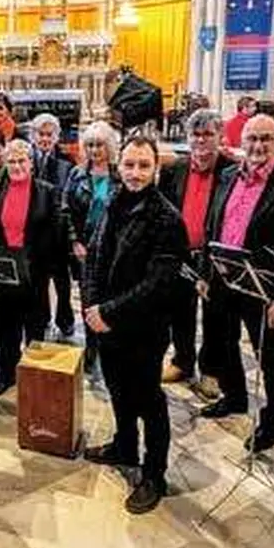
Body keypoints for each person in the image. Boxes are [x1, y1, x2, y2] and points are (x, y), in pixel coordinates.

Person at [83, 135, 190, 514]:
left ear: (156, 169)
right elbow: (94, 256)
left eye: (144, 165)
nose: (135, 173)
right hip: (106, 323)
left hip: (143, 329)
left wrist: (107, 312)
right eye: (129, 164)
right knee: (117, 390)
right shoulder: (114, 201)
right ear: (119, 166)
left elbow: (158, 284)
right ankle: (125, 446)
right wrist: (92, 306)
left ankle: (154, 474)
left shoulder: (167, 219)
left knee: (148, 400)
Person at [200, 114, 274, 453]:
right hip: (224, 279)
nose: (258, 146)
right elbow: (212, 224)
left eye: (266, 138)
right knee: (224, 344)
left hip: (264, 290)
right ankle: (234, 396)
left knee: (271, 359)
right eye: (252, 138)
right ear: (242, 141)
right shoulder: (226, 176)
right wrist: (206, 274)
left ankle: (272, 423)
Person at [156, 108, 231, 386]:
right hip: (181, 254)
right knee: (180, 311)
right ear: (187, 137)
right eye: (195, 134)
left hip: (214, 257)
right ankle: (182, 361)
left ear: (220, 136)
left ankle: (211, 369)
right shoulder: (173, 169)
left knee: (215, 314)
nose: (201, 140)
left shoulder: (231, 171)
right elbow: (163, 211)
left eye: (208, 134)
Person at [0, 139, 61, 396]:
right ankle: (7, 373)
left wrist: (42, 265)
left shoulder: (47, 192)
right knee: (7, 327)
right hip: (5, 270)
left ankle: (34, 378)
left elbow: (54, 233)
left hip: (35, 271)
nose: (16, 166)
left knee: (35, 327)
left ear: (31, 163)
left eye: (21, 161)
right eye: (12, 161)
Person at [63, 120, 120, 371]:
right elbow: (65, 209)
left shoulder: (120, 174)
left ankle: (110, 345)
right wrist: (75, 241)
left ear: (109, 147)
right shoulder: (77, 174)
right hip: (85, 248)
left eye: (99, 145)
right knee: (88, 298)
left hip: (113, 247)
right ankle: (91, 346)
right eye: (90, 145)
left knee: (111, 297)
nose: (95, 150)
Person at [30, 113, 74, 337]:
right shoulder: (26, 160)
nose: (45, 139)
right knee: (39, 282)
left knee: (62, 282)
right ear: (33, 136)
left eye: (50, 134)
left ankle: (65, 319)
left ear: (57, 137)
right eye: (41, 134)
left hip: (59, 234)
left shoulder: (66, 163)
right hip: (36, 232)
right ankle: (43, 317)